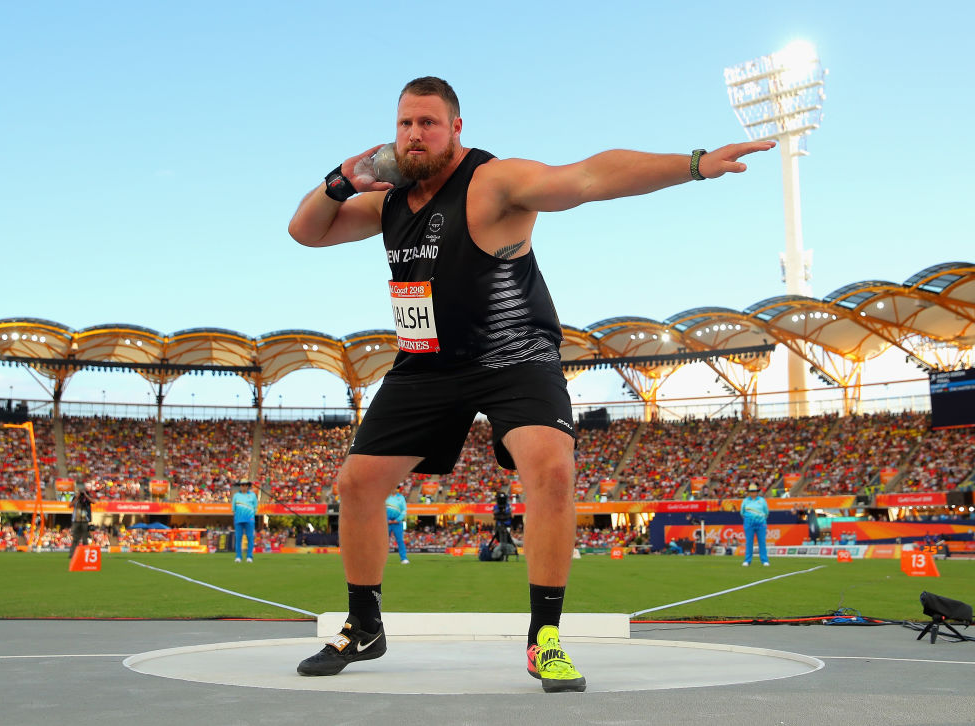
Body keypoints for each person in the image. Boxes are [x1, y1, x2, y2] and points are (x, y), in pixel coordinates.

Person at [288, 76, 774, 692]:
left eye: (429, 123)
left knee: (550, 466)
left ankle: (545, 637)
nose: (415, 135)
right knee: (356, 484)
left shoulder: (495, 182)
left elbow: (591, 177)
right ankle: (364, 626)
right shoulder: (387, 200)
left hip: (513, 355)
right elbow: (307, 230)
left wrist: (696, 164)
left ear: (455, 128)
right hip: (427, 364)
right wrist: (339, 181)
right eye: (406, 123)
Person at [740, 483, 770, 567]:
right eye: (751, 491)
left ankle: (764, 560)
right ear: (749, 492)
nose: (753, 493)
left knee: (762, 542)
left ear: (757, 492)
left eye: (754, 491)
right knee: (749, 542)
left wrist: (760, 519)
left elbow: (766, 512)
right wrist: (749, 519)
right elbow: (742, 513)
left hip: (761, 524)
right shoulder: (745, 501)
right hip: (749, 524)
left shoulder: (762, 500)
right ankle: (747, 560)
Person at [231, 481, 258, 563]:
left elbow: (255, 507)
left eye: (245, 485)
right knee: (238, 538)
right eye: (242, 485)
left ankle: (249, 556)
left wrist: (250, 515)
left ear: (247, 486)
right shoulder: (236, 496)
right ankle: (238, 556)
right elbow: (233, 509)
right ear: (240, 486)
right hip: (238, 520)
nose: (244, 486)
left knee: (250, 538)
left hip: (249, 520)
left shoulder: (253, 495)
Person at [385, 484, 409, 564]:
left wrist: (397, 520)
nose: (394, 488)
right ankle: (381, 560)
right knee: (384, 542)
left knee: (400, 541)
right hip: (386, 523)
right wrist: (386, 520)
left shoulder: (401, 498)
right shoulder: (385, 496)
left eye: (396, 487)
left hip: (397, 523)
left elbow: (404, 511)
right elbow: (381, 509)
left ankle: (404, 558)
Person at [68, 483, 93, 559]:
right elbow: (70, 505)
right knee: (75, 538)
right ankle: (72, 555)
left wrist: (86, 496)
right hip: (76, 520)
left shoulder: (87, 498)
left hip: (85, 520)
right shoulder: (76, 498)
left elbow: (94, 501)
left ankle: (86, 555)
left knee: (85, 538)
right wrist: (77, 497)